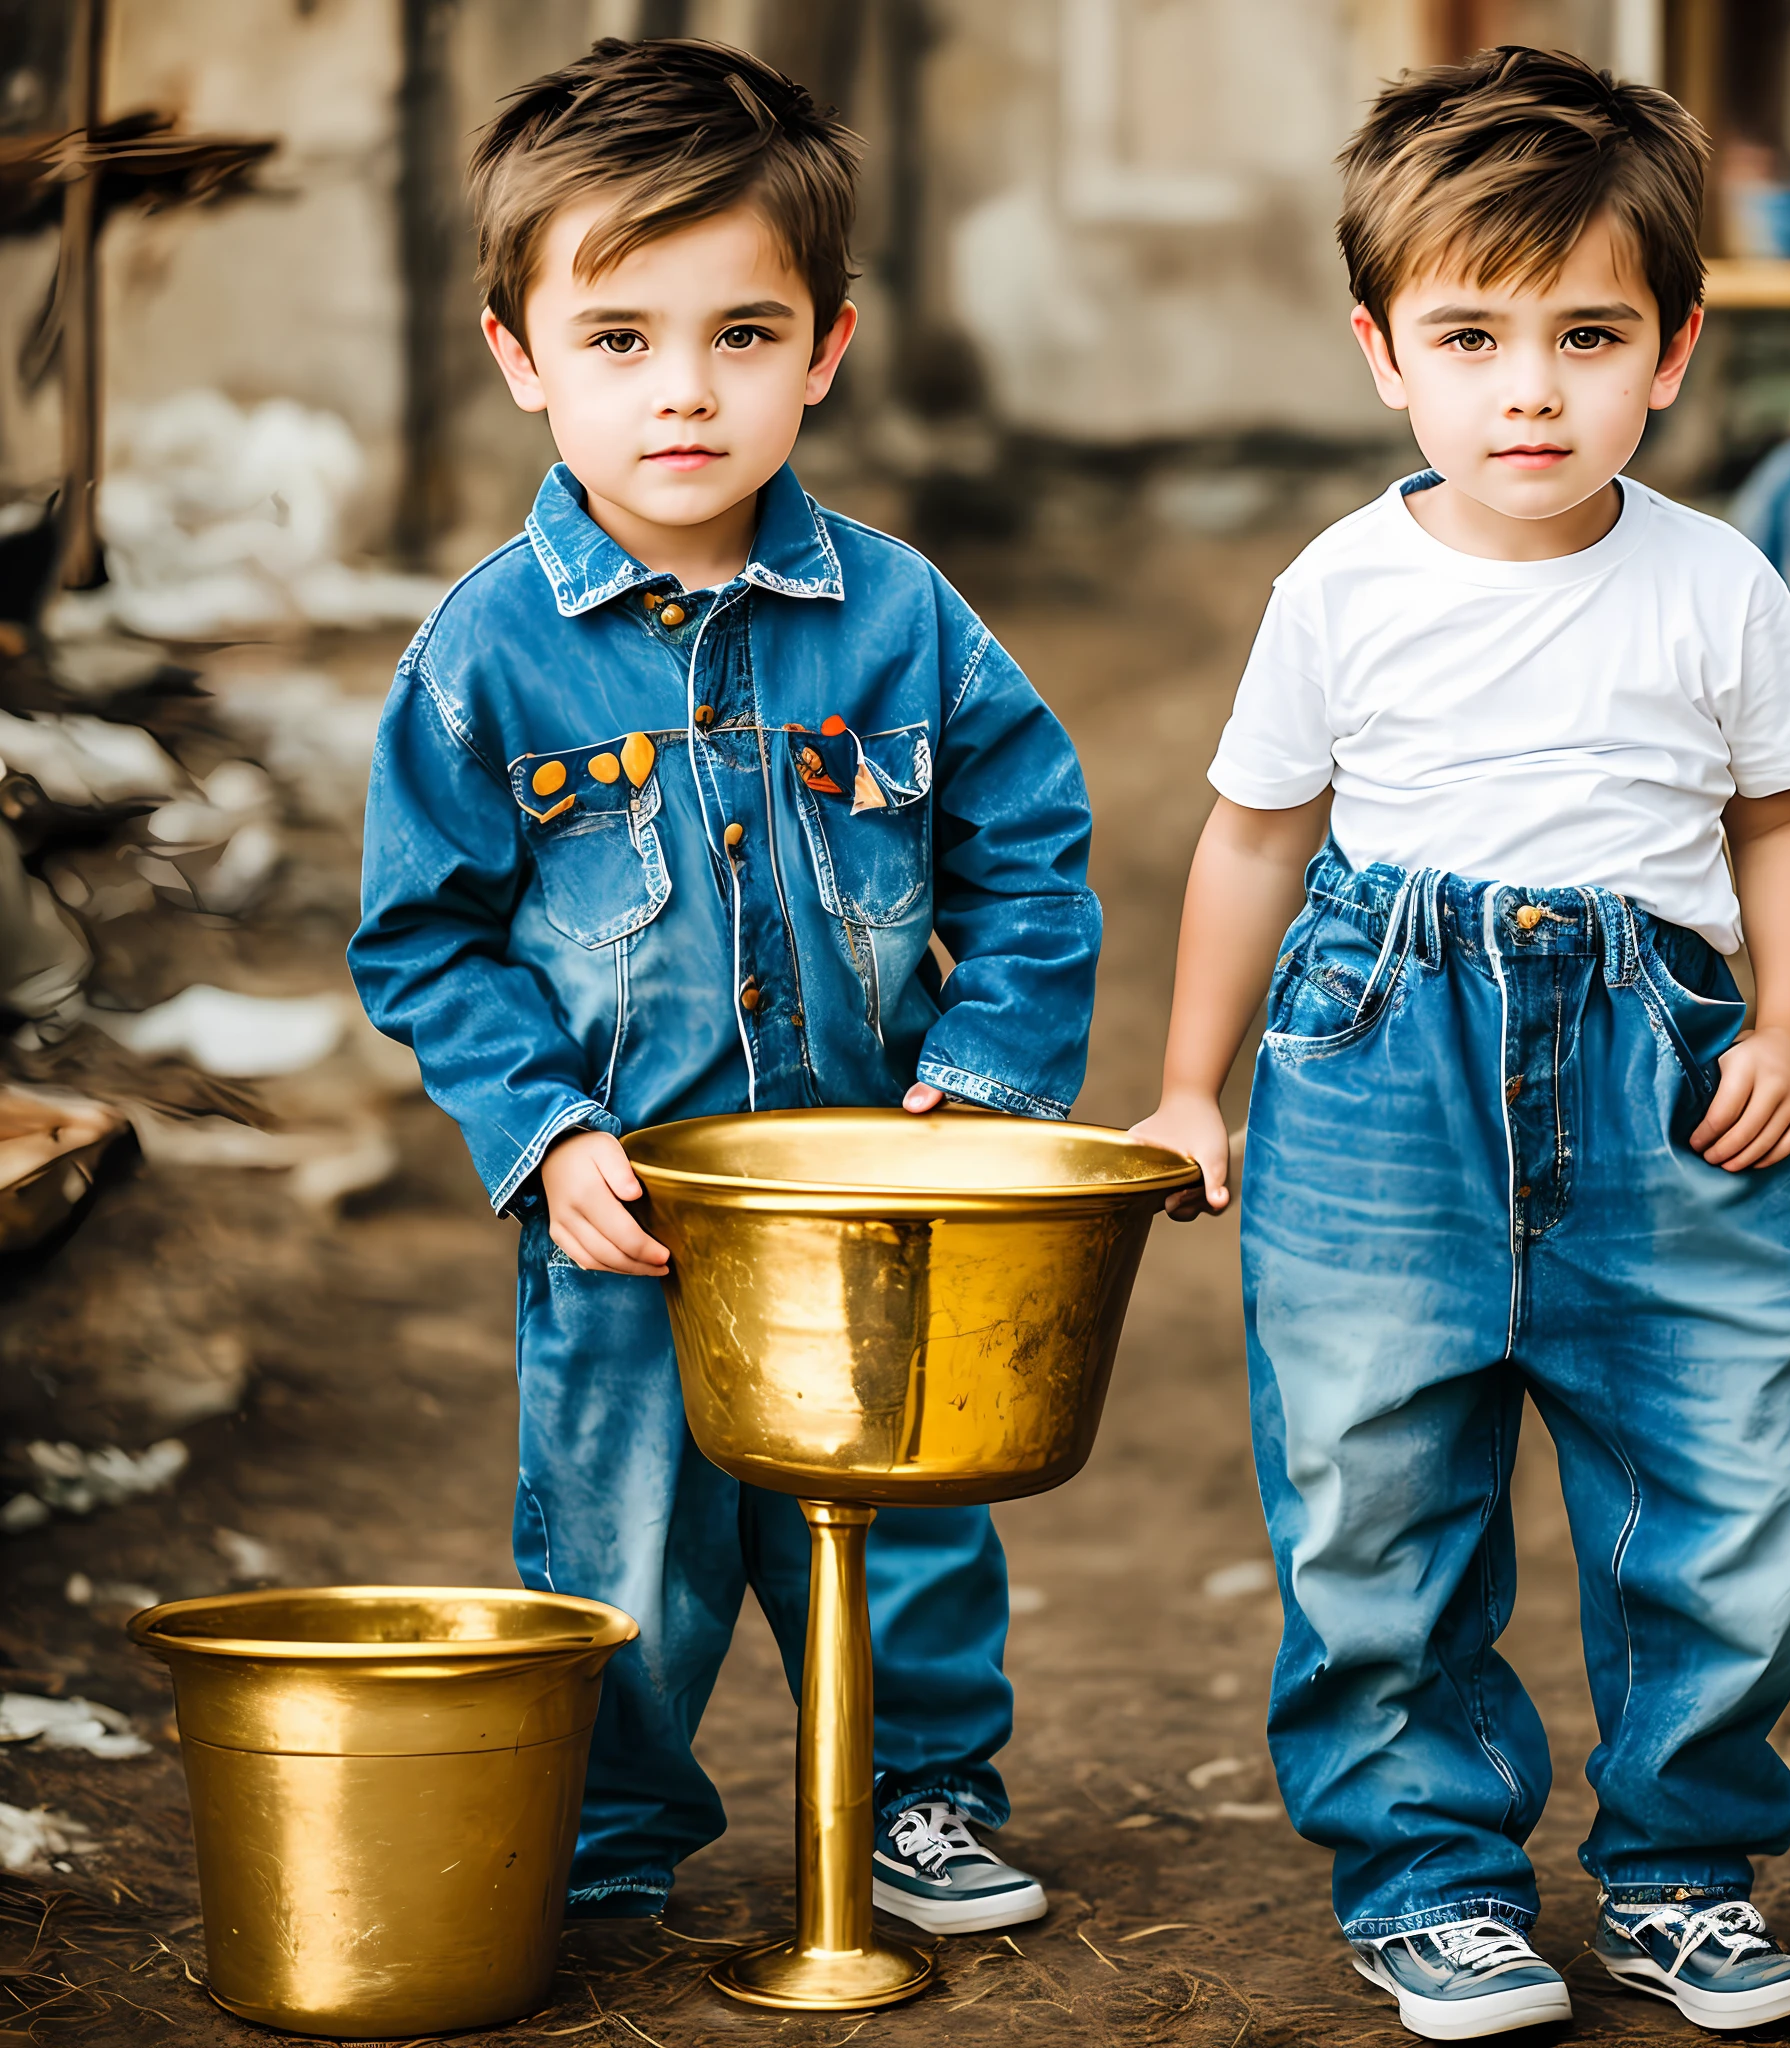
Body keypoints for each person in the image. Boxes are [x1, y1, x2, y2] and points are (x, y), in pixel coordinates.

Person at [1131, 47, 1790, 2043]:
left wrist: (1788, 1019)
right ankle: (1431, 1875)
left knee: (1746, 1465)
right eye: (1471, 334)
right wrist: (1195, 1080)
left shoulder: (1716, 585)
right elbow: (1254, 837)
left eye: (1586, 332)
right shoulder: (1341, 590)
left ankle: (1680, 1866)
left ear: (1672, 350)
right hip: (1382, 1069)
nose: (1527, 386)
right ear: (1382, 353)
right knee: (1372, 1491)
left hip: (1664, 1077)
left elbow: (1780, 824)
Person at [349, 36, 1097, 1936]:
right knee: (627, 1542)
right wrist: (540, 1138)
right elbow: (420, 938)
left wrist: (988, 1085)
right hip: (632, 1217)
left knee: (912, 1523)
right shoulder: (483, 661)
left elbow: (1030, 847)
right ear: (517, 353)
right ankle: (607, 1842)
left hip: (875, 1189)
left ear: (828, 346)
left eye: (743, 336)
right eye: (619, 339)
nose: (685, 392)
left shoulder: (907, 617)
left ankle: (923, 1798)